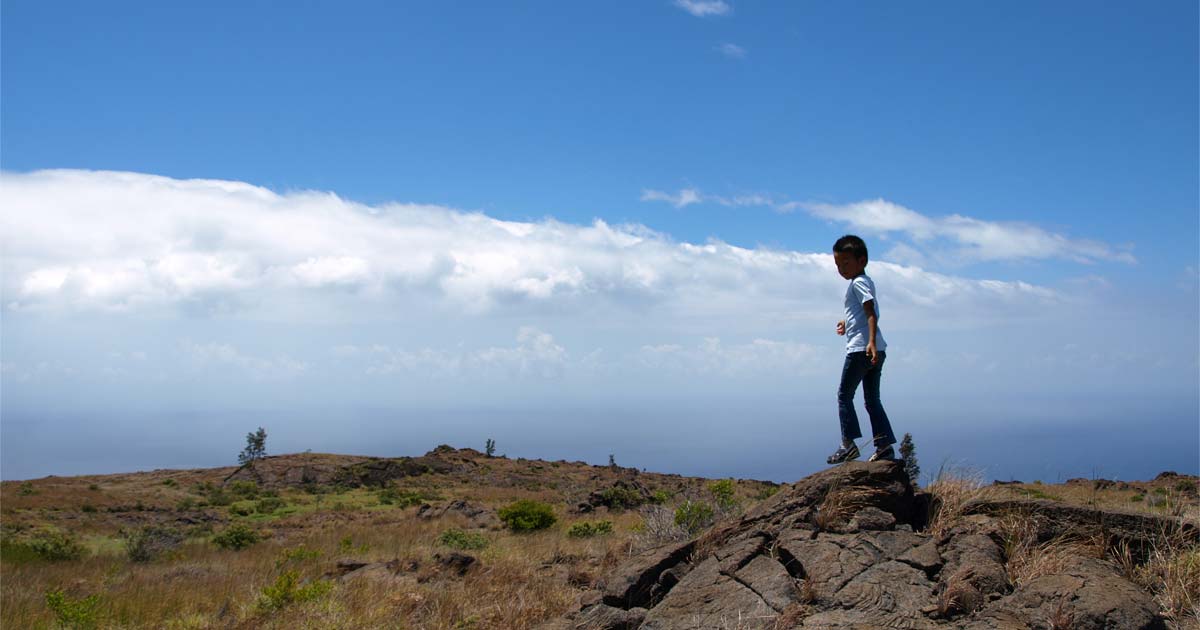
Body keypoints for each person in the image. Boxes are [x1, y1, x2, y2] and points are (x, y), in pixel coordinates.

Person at [826, 235, 898, 464]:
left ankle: (848, 444)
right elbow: (863, 312)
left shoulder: (858, 283)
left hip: (862, 349)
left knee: (844, 395)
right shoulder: (864, 282)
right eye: (838, 265)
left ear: (862, 260)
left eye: (846, 263)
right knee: (872, 400)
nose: (841, 269)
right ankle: (884, 446)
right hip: (875, 348)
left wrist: (870, 343)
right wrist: (846, 323)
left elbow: (871, 312)